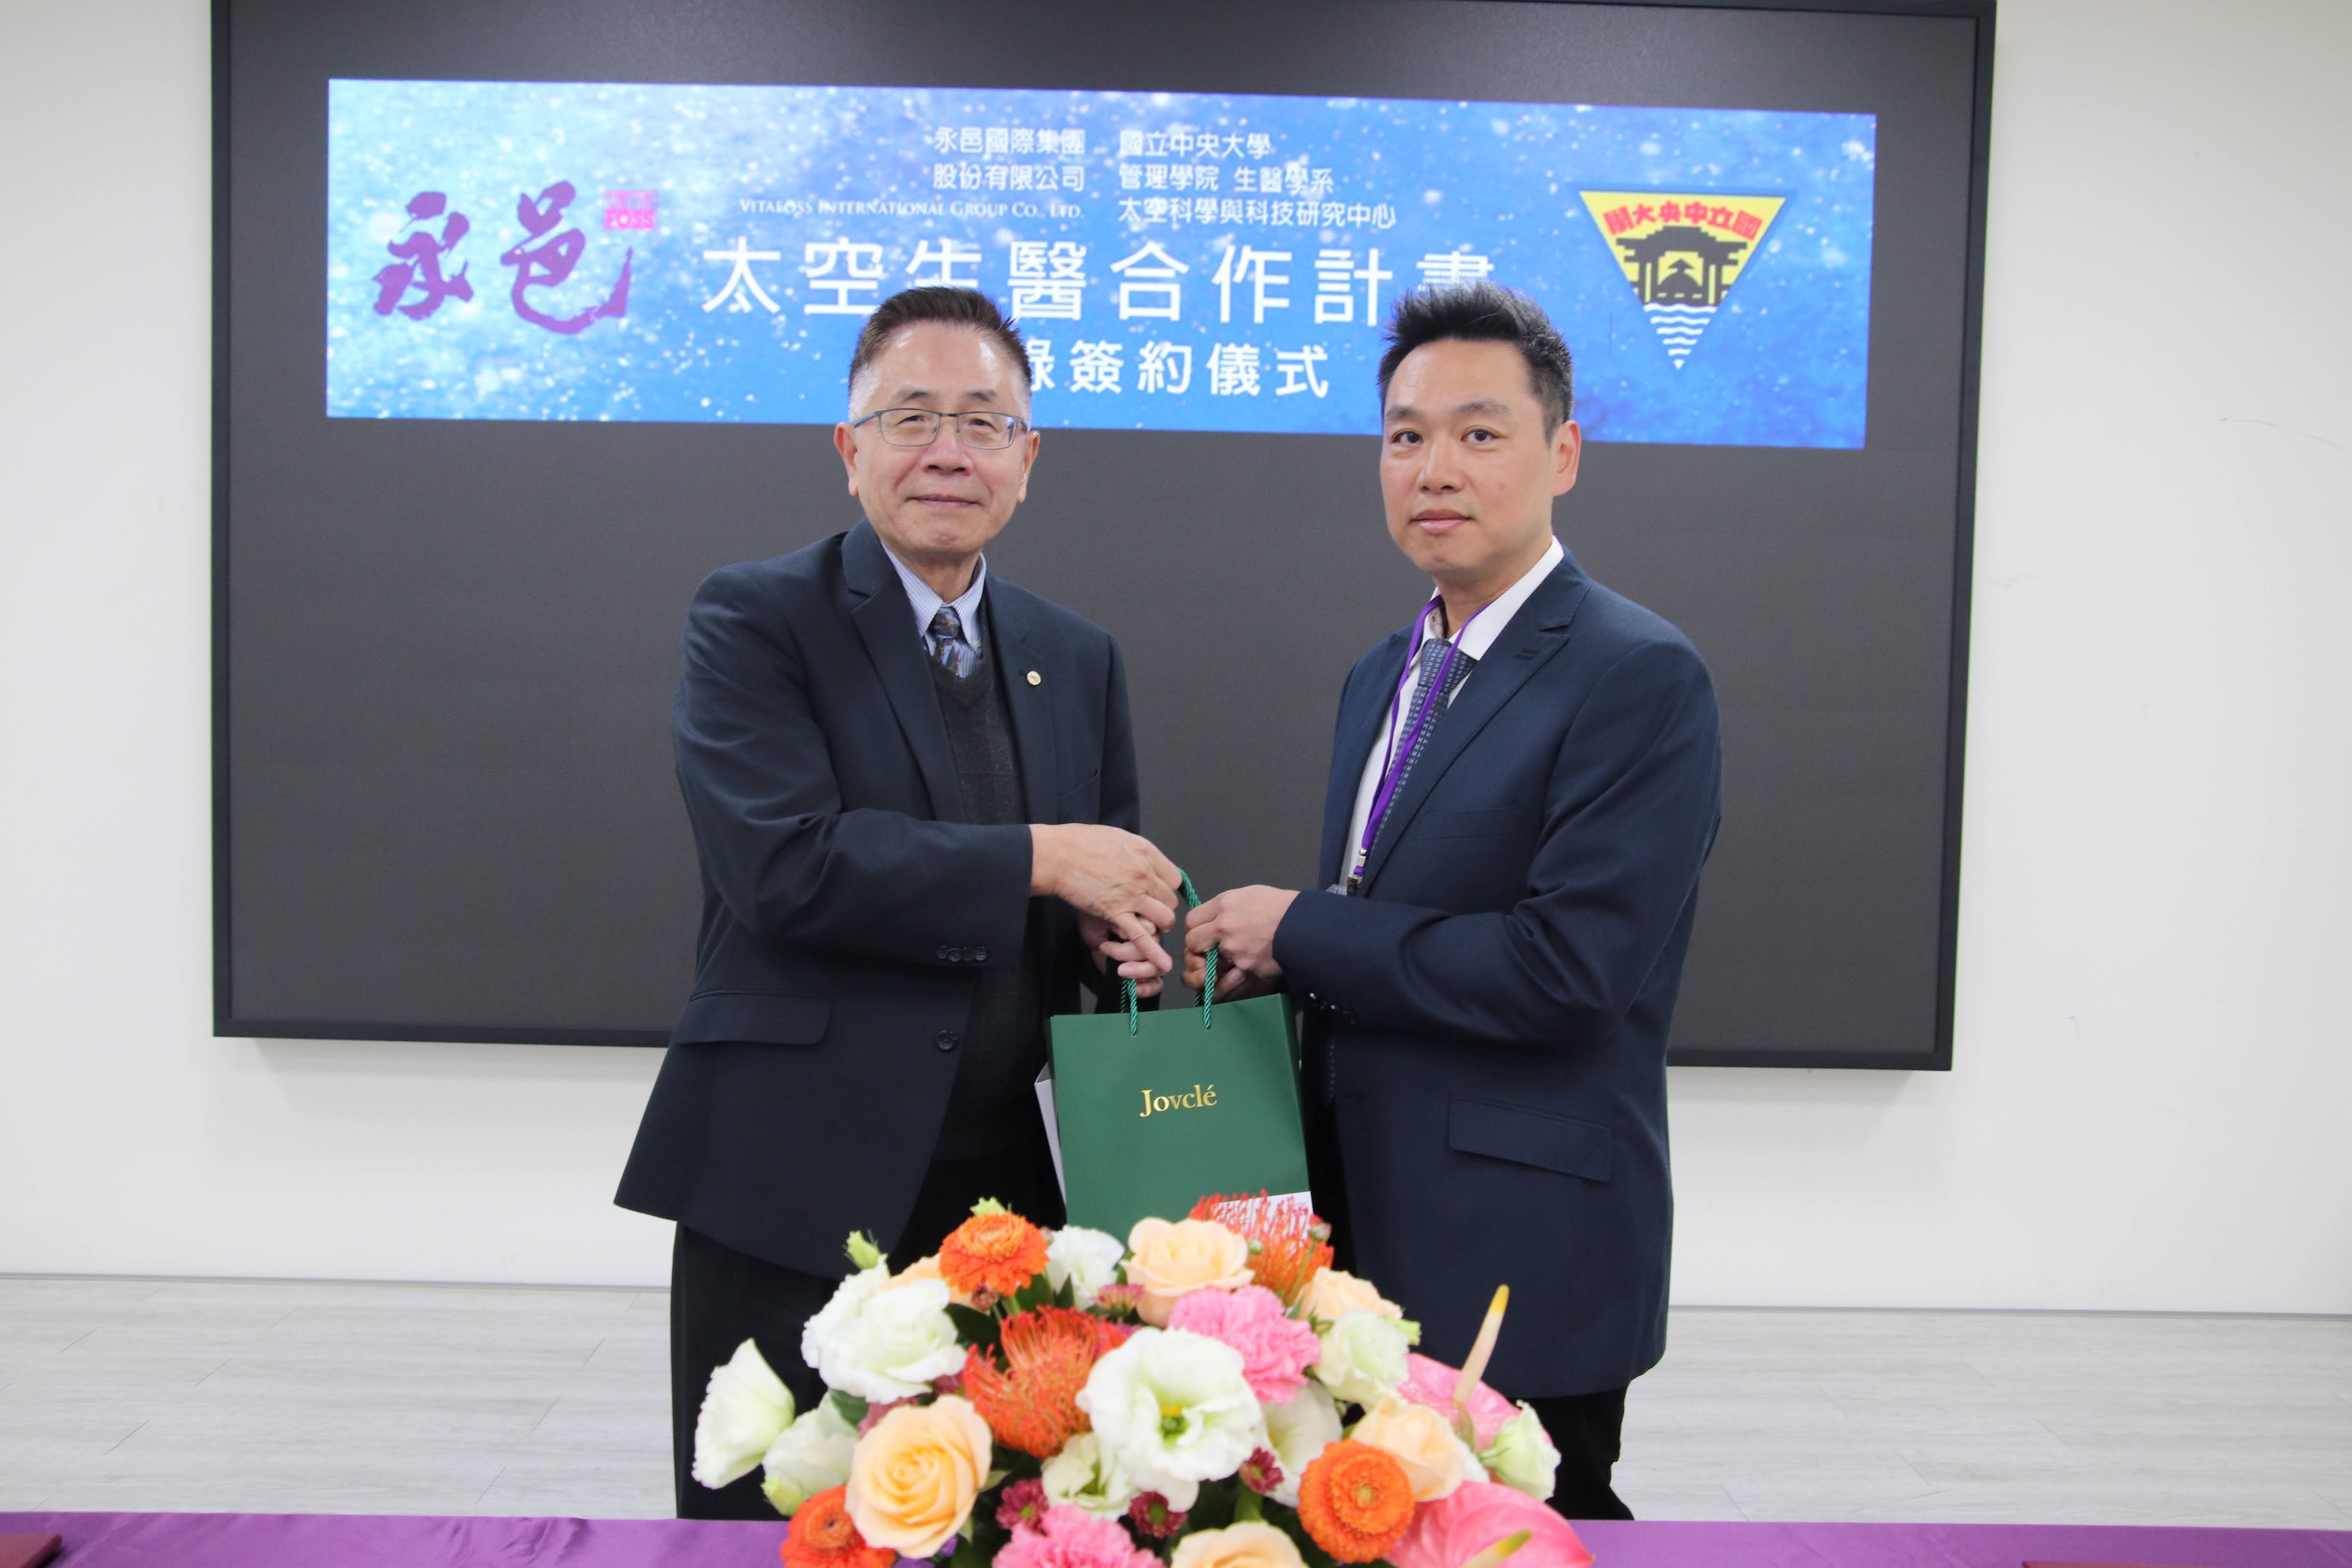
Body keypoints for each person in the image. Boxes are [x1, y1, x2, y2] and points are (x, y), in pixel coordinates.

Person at [616, 286, 1177, 1519]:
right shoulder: (756, 618)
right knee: (781, 1519)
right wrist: (1040, 859)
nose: (947, 451)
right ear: (849, 447)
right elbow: (786, 866)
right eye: (911, 416)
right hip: (799, 1173)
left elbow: (1099, 885)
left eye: (983, 422)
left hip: (1014, 1198)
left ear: (1027, 458)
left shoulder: (1076, 654)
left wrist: (1124, 937)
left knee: (997, 1519)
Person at [1183, 281, 1722, 1520]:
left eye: (1480, 433)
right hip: (1351, 1246)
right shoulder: (1383, 671)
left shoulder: (1638, 674)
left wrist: (1307, 926)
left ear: (1563, 453)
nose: (1435, 467)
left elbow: (1567, 971)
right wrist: (1288, 958)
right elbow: (1391, 919)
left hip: (1519, 1252)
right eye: (1405, 435)